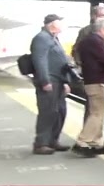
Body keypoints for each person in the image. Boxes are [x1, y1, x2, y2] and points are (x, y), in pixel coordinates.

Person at [75, 4, 104, 145]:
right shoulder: (87, 32)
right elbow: (78, 51)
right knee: (94, 109)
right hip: (98, 75)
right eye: (103, 16)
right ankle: (88, 136)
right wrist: (82, 68)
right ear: (94, 17)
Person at [71, 18, 104, 157]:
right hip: (97, 81)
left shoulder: (90, 41)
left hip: (94, 80)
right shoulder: (95, 42)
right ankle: (82, 142)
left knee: (99, 112)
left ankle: (97, 143)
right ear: (102, 29)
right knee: (96, 114)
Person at [30, 13, 74, 154]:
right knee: (47, 112)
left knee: (60, 112)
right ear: (52, 24)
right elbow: (40, 61)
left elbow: (61, 61)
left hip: (59, 82)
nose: (62, 25)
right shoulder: (41, 38)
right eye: (59, 22)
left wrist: (66, 82)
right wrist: (44, 80)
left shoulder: (53, 38)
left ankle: (53, 140)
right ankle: (41, 143)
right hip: (50, 81)